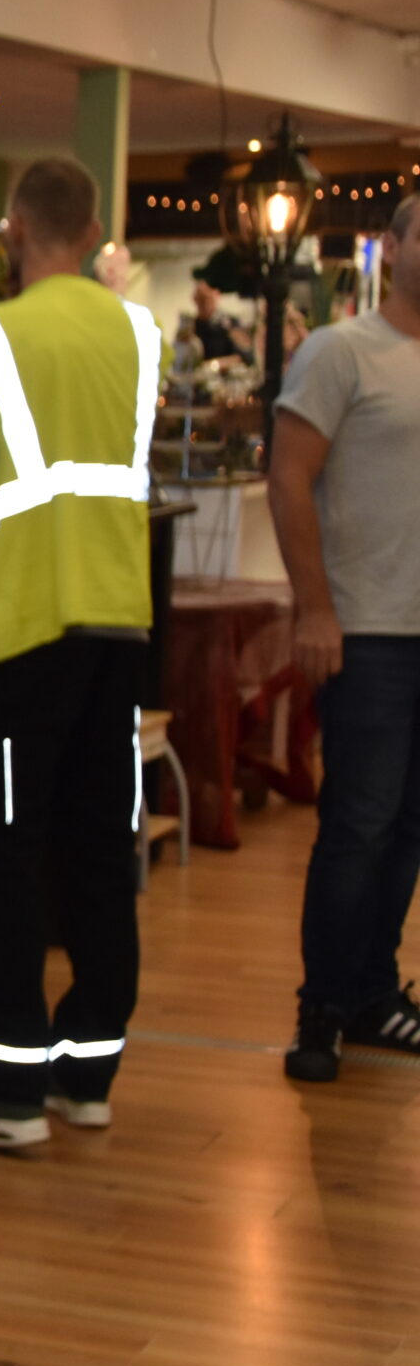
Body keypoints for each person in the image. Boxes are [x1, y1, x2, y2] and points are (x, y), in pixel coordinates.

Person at [0, 157, 159, 1150]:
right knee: (101, 851)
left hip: (15, 634)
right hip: (118, 628)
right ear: (94, 229)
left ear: (13, 229)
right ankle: (84, 1073)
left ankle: (9, 1086)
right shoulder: (137, 335)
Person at [272, 191, 420, 1082]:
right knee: (357, 825)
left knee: (409, 827)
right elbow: (289, 481)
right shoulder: (341, 351)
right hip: (367, 630)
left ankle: (372, 991)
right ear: (394, 246)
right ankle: (321, 1005)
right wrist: (313, 606)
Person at [191, 276, 241, 361]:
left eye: (209, 299)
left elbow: (241, 357)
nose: (205, 304)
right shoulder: (191, 327)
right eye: (202, 299)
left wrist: (215, 365)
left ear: (217, 296)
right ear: (195, 299)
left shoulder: (230, 324)